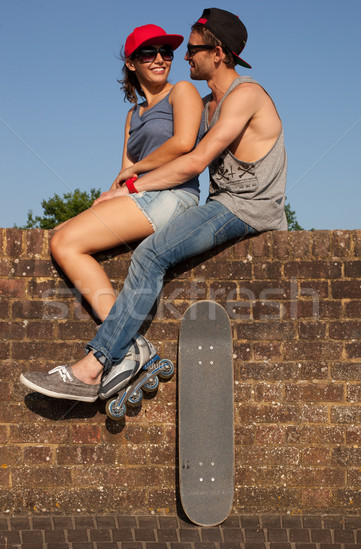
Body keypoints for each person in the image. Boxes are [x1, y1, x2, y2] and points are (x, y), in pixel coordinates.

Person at [20, 8, 287, 403]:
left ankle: (93, 368)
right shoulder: (208, 104)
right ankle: (124, 352)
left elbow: (192, 160)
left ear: (217, 53)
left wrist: (132, 186)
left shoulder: (246, 94)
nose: (183, 57)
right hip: (221, 203)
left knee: (150, 255)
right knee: (73, 237)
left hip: (249, 207)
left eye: (191, 49)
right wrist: (124, 186)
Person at [49, 24, 203, 323]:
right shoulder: (133, 114)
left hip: (173, 195)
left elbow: (183, 143)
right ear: (131, 63)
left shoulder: (182, 91)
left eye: (166, 52)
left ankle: (120, 340)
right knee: (62, 234)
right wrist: (101, 202)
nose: (160, 59)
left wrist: (136, 169)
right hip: (142, 196)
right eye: (148, 53)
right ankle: (121, 337)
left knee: (66, 242)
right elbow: (124, 174)